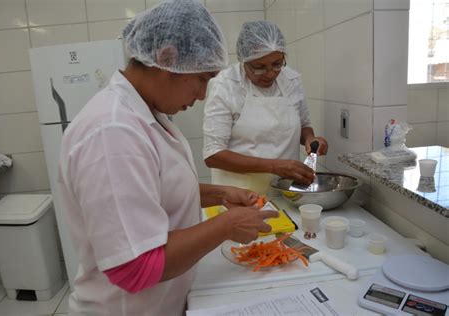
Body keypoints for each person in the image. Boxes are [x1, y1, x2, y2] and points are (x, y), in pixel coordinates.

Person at [57, 2, 278, 315]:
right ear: (166, 58)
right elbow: (135, 268)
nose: (202, 95)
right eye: (202, 79)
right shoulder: (113, 132)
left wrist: (219, 194)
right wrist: (226, 225)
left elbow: (148, 190)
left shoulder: (146, 113)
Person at [202, 21, 328, 194]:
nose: (270, 73)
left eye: (277, 64)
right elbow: (213, 156)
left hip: (287, 191)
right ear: (244, 60)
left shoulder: (291, 80)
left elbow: (304, 125)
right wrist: (273, 166)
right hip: (238, 195)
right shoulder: (225, 85)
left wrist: (310, 140)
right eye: (259, 67)